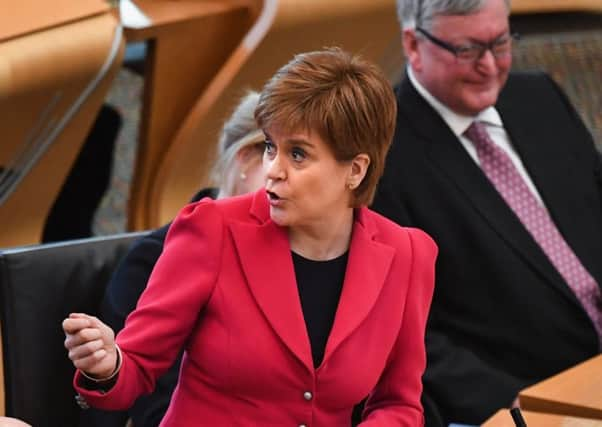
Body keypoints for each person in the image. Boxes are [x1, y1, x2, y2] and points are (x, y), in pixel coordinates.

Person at [63, 47, 438, 426]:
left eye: (298, 155)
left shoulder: (407, 254)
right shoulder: (212, 228)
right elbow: (137, 367)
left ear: (355, 170)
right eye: (271, 147)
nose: (273, 169)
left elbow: (400, 404)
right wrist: (109, 364)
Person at [371, 0, 602, 425]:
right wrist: (511, 407)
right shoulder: (379, 155)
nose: (491, 66)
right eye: (468, 50)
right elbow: (406, 334)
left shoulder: (538, 96)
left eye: (500, 43)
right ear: (413, 44)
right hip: (532, 399)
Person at [80, 91, 266, 427]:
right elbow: (151, 407)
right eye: (281, 156)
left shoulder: (291, 253)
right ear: (245, 157)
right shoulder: (155, 259)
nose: (291, 181)